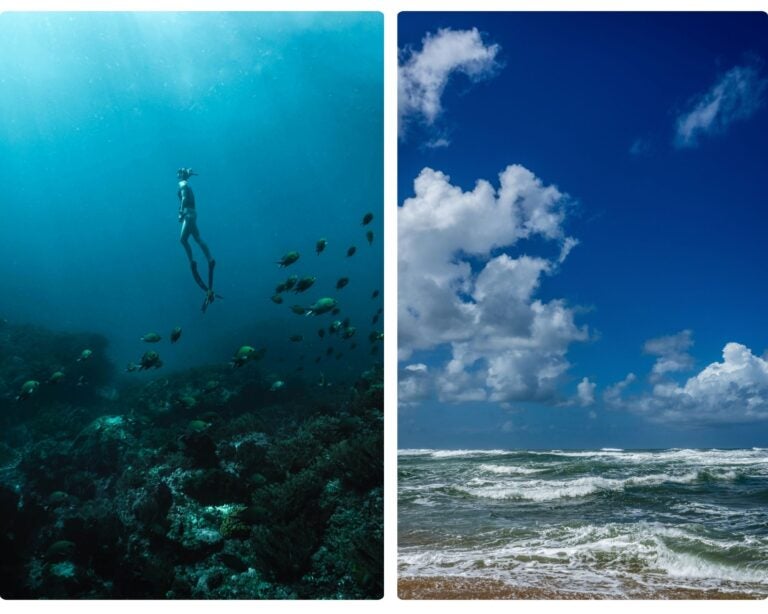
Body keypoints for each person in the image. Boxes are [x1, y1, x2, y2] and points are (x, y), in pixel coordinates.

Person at [177, 167, 220, 312]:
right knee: (197, 238)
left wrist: (180, 213)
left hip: (188, 213)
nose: (177, 174)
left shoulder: (182, 184)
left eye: (179, 172)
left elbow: (183, 198)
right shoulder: (188, 185)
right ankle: (210, 258)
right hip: (193, 213)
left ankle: (193, 262)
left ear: (182, 175)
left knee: (183, 240)